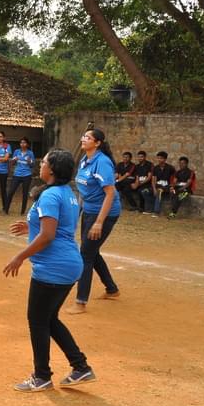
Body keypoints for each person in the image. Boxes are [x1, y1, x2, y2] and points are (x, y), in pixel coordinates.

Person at [3, 149, 96, 392]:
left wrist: (19, 257)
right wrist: (30, 226)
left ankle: (41, 376)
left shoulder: (50, 196)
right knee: (49, 318)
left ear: (52, 169)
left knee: (37, 320)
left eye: (43, 162)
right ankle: (81, 367)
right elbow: (56, 227)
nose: (40, 165)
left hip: (53, 267)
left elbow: (48, 235)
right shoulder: (68, 193)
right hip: (68, 265)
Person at [68, 129, 121, 315]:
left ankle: (80, 302)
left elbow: (110, 193)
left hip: (105, 214)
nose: (83, 139)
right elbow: (84, 191)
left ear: (97, 143)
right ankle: (112, 289)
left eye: (87, 137)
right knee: (91, 251)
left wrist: (99, 222)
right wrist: (78, 213)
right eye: (83, 136)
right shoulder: (85, 160)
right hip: (90, 211)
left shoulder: (102, 163)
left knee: (86, 255)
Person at [7, 138, 36, 216]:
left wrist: (29, 161)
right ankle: (6, 210)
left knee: (25, 193)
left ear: (27, 144)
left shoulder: (30, 153)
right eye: (21, 143)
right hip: (17, 174)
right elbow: (12, 163)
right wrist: (14, 160)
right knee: (11, 192)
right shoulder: (16, 152)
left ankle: (22, 212)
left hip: (27, 175)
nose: (22, 144)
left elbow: (32, 165)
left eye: (24, 142)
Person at [151, 151, 176, 218]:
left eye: (161, 158)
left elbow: (173, 179)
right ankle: (156, 212)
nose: (159, 160)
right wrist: (154, 189)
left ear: (165, 159)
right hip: (159, 186)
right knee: (159, 191)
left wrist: (172, 187)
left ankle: (172, 212)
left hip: (168, 186)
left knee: (174, 193)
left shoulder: (170, 168)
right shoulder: (155, 168)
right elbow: (153, 180)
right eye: (158, 158)